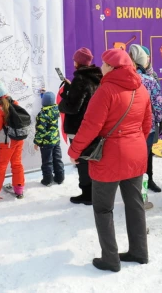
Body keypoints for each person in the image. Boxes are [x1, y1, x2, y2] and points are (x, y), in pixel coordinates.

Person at [68, 49, 152, 272]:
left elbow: (89, 127)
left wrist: (74, 152)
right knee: (135, 206)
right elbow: (147, 124)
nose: (101, 67)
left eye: (104, 63)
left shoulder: (106, 91)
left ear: (113, 68)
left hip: (109, 158)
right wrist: (135, 144)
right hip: (136, 155)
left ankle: (110, 259)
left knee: (103, 209)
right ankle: (139, 251)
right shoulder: (141, 88)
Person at [59, 47, 103, 205]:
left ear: (78, 61)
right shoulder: (96, 78)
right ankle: (94, 192)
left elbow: (72, 107)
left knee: (81, 162)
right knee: (90, 161)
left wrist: (63, 100)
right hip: (93, 126)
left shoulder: (81, 79)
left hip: (78, 127)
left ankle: (87, 194)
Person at [129, 45, 162, 193]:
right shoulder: (149, 80)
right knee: (144, 156)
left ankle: (136, 187)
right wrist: (157, 119)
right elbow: (159, 104)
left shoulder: (122, 78)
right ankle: (142, 186)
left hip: (129, 129)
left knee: (137, 158)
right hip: (147, 127)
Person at [0, 79, 26, 202]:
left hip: (6, 142)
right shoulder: (15, 102)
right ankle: (19, 190)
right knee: (17, 164)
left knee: (1, 167)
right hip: (19, 139)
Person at [33, 91, 64, 187]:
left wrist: (36, 142)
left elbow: (40, 131)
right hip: (56, 140)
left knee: (47, 161)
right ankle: (60, 178)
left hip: (46, 142)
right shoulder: (56, 109)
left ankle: (47, 180)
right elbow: (49, 102)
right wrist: (45, 94)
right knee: (57, 159)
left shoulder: (42, 114)